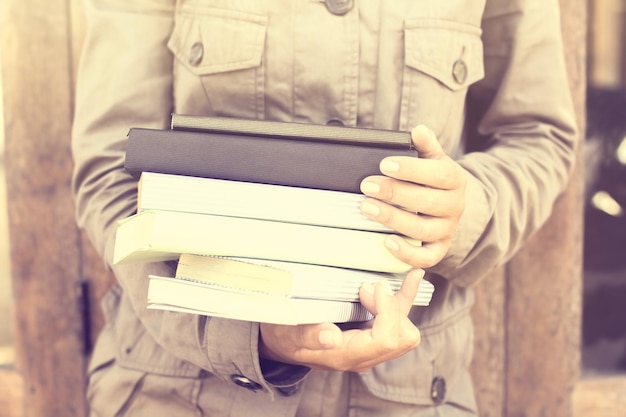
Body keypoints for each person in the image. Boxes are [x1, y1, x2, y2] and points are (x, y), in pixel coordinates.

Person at [71, 0, 578, 415]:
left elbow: (537, 137)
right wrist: (248, 335)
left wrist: (460, 212)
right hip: (180, 393)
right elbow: (113, 165)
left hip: (413, 392)